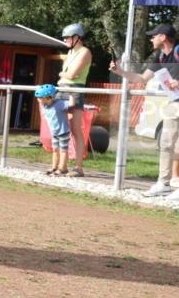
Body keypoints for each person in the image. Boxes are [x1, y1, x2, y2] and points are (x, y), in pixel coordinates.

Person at [109, 23, 179, 199]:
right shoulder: (160, 57)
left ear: (163, 37)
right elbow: (141, 78)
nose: (151, 38)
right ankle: (163, 183)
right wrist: (120, 72)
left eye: (154, 35)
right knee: (166, 144)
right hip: (174, 104)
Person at [57, 22, 92, 177]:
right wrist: (64, 75)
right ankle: (61, 165)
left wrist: (61, 75)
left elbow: (70, 75)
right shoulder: (71, 53)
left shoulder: (85, 52)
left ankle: (78, 167)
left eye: (67, 38)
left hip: (74, 90)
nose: (65, 40)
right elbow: (68, 73)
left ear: (77, 37)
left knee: (75, 129)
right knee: (60, 128)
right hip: (63, 89)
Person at [35, 84, 71, 175]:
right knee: (55, 149)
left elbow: (71, 103)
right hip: (54, 132)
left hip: (63, 132)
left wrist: (72, 94)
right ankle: (54, 167)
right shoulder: (45, 105)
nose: (38, 100)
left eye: (40, 98)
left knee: (63, 150)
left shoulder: (59, 104)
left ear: (49, 98)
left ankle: (62, 168)